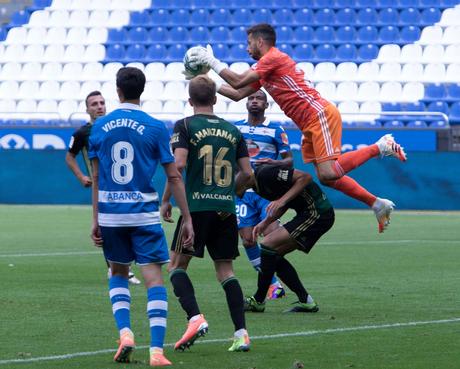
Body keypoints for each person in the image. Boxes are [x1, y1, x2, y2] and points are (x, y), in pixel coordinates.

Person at [185, 23, 407, 233]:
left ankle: (380, 146)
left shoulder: (273, 57)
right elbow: (236, 94)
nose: (246, 47)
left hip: (319, 115)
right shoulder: (264, 69)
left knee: (329, 172)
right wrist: (204, 77)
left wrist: (211, 61)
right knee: (326, 177)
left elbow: (237, 81)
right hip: (308, 124)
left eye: (249, 43)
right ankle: (376, 203)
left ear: (260, 41)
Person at [89, 67, 194, 367]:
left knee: (118, 273)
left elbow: (96, 177)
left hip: (110, 216)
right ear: (142, 90)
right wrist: (187, 217)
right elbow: (173, 176)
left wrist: (95, 219)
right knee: (153, 280)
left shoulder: (99, 127)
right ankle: (157, 352)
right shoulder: (155, 126)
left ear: (117, 90)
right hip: (144, 215)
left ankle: (125, 333)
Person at [160, 75, 253, 352]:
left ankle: (195, 318)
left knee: (176, 266)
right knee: (226, 271)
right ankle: (241, 334)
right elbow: (248, 173)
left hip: (197, 208)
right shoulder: (233, 130)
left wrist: (166, 200)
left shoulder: (185, 125)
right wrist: (230, 193)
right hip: (225, 209)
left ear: (190, 101)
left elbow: (178, 164)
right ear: (215, 99)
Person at [235, 163, 335, 313]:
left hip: (318, 212)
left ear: (244, 177)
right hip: (306, 213)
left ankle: (258, 300)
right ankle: (306, 302)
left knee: (268, 244)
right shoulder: (256, 187)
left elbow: (305, 177)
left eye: (237, 188)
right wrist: (265, 223)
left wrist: (281, 200)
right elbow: (284, 203)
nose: (239, 194)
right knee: (273, 256)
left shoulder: (266, 173)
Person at [65, 91, 141, 285]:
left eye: (101, 103)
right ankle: (116, 268)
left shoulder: (113, 127)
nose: (99, 106)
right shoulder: (82, 133)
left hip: (120, 184)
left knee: (126, 224)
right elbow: (69, 156)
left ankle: (119, 266)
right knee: (105, 226)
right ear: (87, 109)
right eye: (94, 104)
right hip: (100, 186)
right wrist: (81, 175)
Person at [234, 89, 293, 300]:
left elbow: (289, 160)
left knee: (271, 240)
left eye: (259, 98)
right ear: (246, 103)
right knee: (248, 241)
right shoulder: (235, 129)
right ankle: (274, 285)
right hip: (243, 192)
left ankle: (288, 286)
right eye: (251, 98)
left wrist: (273, 162)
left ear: (266, 105)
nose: (255, 101)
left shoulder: (276, 130)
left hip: (266, 192)